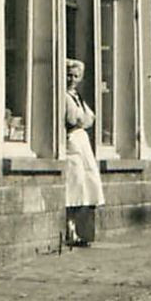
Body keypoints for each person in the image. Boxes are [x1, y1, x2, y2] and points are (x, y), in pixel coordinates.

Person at [63, 59, 104, 247]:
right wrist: (82, 120)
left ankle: (80, 229)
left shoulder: (76, 96)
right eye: (69, 75)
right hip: (71, 142)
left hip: (82, 143)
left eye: (76, 76)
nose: (72, 79)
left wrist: (83, 120)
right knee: (75, 184)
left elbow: (88, 118)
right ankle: (70, 230)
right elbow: (73, 119)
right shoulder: (63, 96)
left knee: (87, 183)